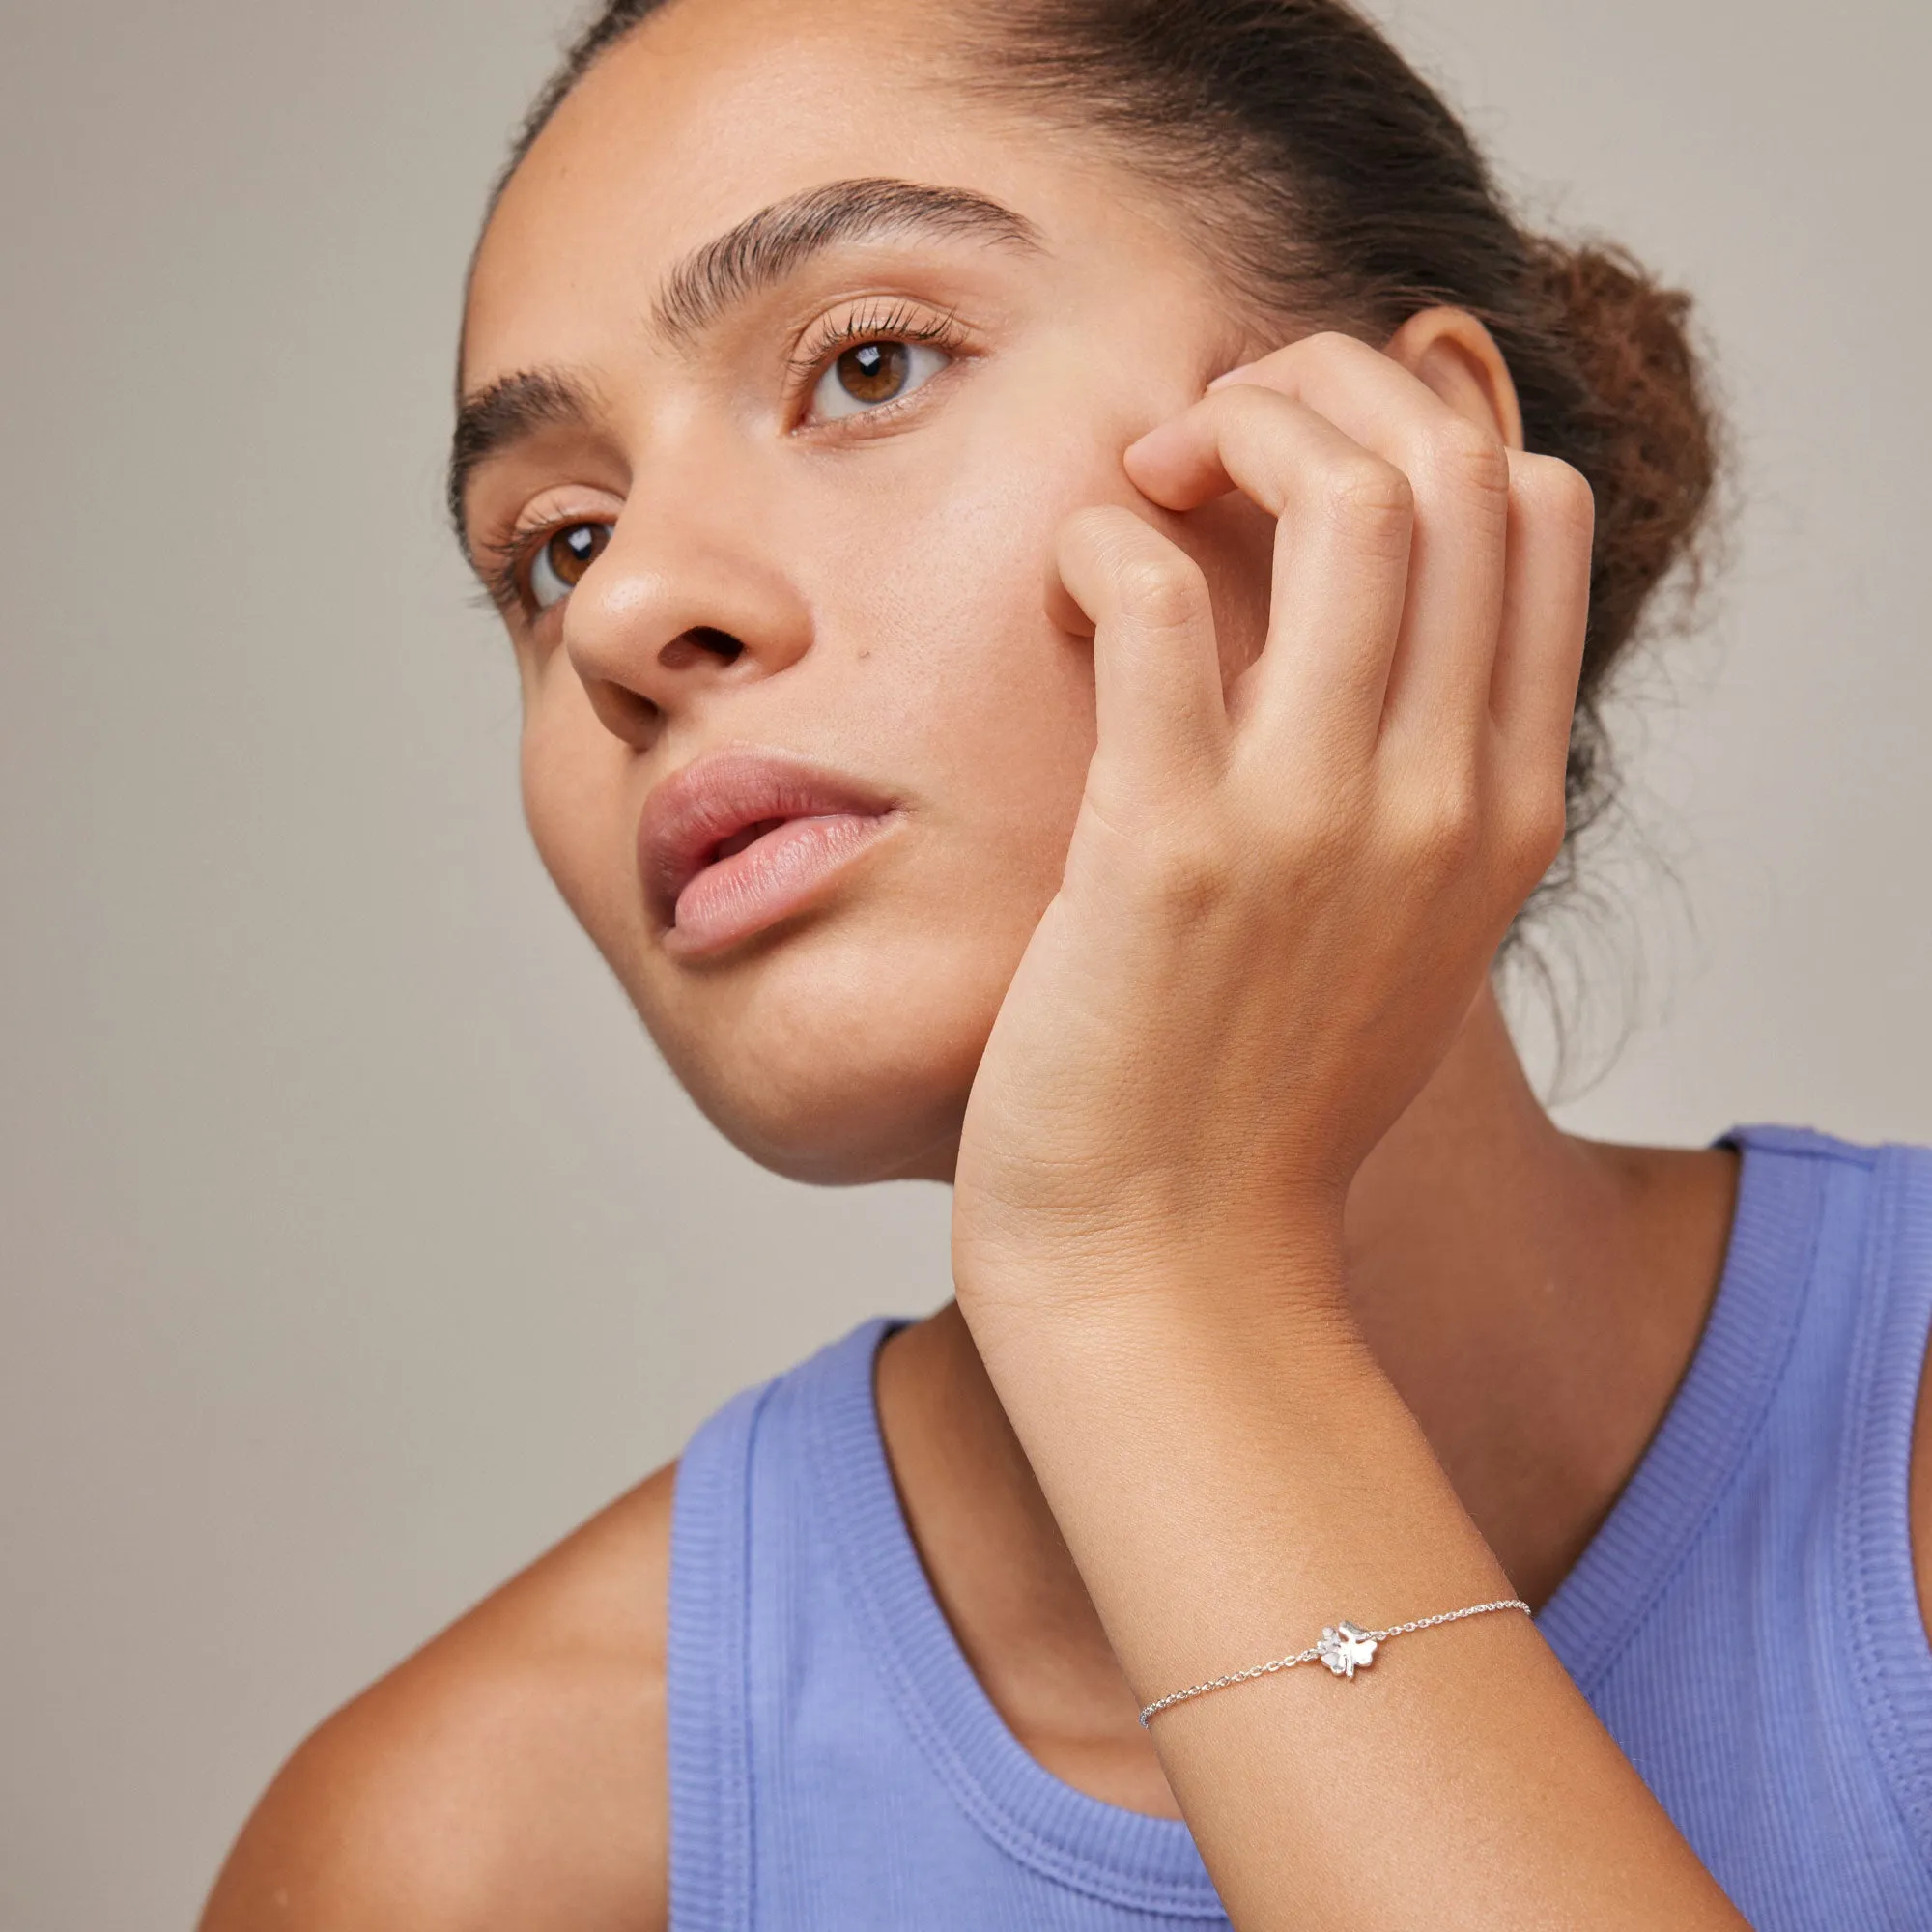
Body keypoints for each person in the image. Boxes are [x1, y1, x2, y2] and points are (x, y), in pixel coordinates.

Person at [198, 1, 1932, 1925]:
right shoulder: (470, 1855)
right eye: (552, 542)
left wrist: (1147, 1277)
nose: (625, 611)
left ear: (1398, 453)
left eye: (866, 364)